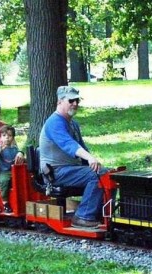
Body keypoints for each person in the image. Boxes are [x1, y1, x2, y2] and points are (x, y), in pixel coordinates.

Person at [39, 86, 108, 229]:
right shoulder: (54, 122)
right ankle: (83, 217)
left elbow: (81, 147)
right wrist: (90, 159)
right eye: (71, 100)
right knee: (98, 175)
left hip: (70, 169)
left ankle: (100, 213)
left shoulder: (72, 124)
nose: (75, 104)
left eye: (77, 100)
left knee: (109, 174)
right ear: (60, 101)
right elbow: (68, 144)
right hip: (55, 173)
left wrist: (93, 162)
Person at [0, 125, 21, 214]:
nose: (7, 138)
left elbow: (19, 154)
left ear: (13, 138)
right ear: (0, 137)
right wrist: (0, 150)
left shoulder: (14, 148)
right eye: (4, 136)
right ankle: (5, 202)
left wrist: (20, 154)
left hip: (13, 171)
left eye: (9, 136)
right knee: (4, 181)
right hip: (3, 171)